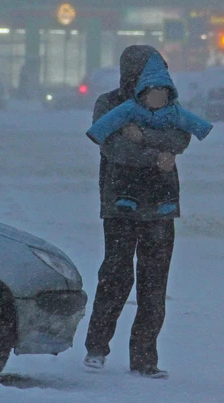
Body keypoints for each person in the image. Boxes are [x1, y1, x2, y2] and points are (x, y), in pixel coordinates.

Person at [83, 45, 195, 379]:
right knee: (115, 276)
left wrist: (142, 135)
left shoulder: (167, 101)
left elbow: (182, 135)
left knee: (154, 284)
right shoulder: (109, 103)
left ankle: (145, 357)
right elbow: (114, 147)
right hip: (121, 204)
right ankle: (96, 348)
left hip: (161, 206)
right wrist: (156, 154)